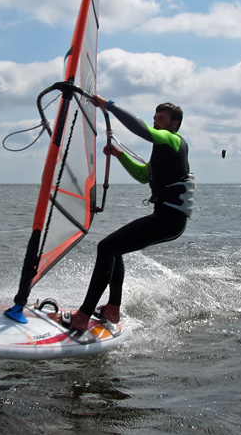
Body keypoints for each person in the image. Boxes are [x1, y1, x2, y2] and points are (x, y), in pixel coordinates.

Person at [57, 96, 195, 333]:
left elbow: (142, 130)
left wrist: (108, 106)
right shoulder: (162, 149)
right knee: (113, 248)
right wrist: (119, 155)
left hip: (168, 219)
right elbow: (144, 176)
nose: (156, 122)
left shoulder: (173, 140)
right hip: (168, 219)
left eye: (161, 119)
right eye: (154, 118)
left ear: (174, 124)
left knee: (106, 247)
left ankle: (83, 315)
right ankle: (112, 308)